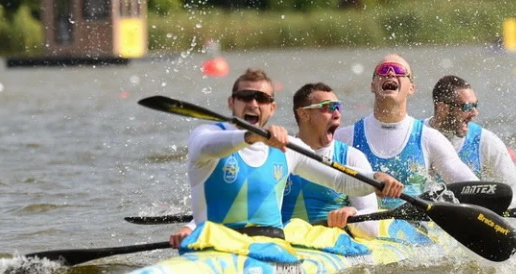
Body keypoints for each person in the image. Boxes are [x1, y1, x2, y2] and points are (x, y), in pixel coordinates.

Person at [169, 68, 403, 248]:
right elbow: (207, 147)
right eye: (245, 97)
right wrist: (252, 136)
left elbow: (340, 181)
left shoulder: (289, 148)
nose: (253, 103)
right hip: (216, 245)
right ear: (232, 102)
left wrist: (376, 181)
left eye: (261, 99)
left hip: (270, 250)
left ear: (272, 108)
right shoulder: (206, 136)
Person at [334, 54, 478, 209]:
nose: (390, 73)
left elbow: (468, 186)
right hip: (363, 227)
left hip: (414, 229)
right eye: (383, 70)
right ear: (372, 85)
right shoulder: (344, 137)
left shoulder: (429, 138)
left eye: (399, 71)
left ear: (411, 88)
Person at [281, 82, 386, 237]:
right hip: (285, 240)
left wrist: (353, 214)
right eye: (328, 107)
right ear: (304, 114)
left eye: (338, 107)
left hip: (331, 243)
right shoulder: (281, 152)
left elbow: (372, 230)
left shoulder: (351, 157)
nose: (337, 114)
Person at [425, 75, 516, 207]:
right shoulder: (416, 135)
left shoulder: (485, 141)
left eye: (475, 105)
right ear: (442, 108)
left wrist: (498, 208)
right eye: (467, 107)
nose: (475, 112)